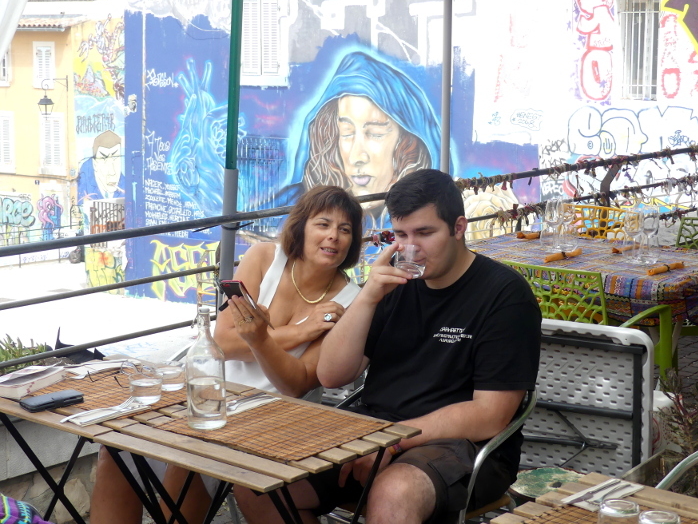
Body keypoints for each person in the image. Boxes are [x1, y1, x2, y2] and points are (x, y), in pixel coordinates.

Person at [234, 169, 542, 524]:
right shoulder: (393, 283)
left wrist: (393, 442)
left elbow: (489, 415)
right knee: (259, 482)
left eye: (424, 233)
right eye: (400, 235)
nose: (411, 247)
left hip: (464, 444)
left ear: (459, 228)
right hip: (375, 428)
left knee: (394, 493)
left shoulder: (504, 295)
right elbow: (332, 375)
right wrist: (367, 297)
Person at [89, 185, 364, 524]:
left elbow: (296, 383)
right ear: (301, 227)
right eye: (323, 224)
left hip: (275, 415)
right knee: (118, 446)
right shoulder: (263, 258)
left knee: (190, 452)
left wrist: (258, 337)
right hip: (210, 391)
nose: (333, 236)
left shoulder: (348, 302)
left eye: (345, 229)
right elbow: (222, 342)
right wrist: (300, 331)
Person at [276, 51, 442, 227]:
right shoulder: (287, 212)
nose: (356, 157)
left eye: (375, 133)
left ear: (408, 145)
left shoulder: (430, 218)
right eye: (346, 132)